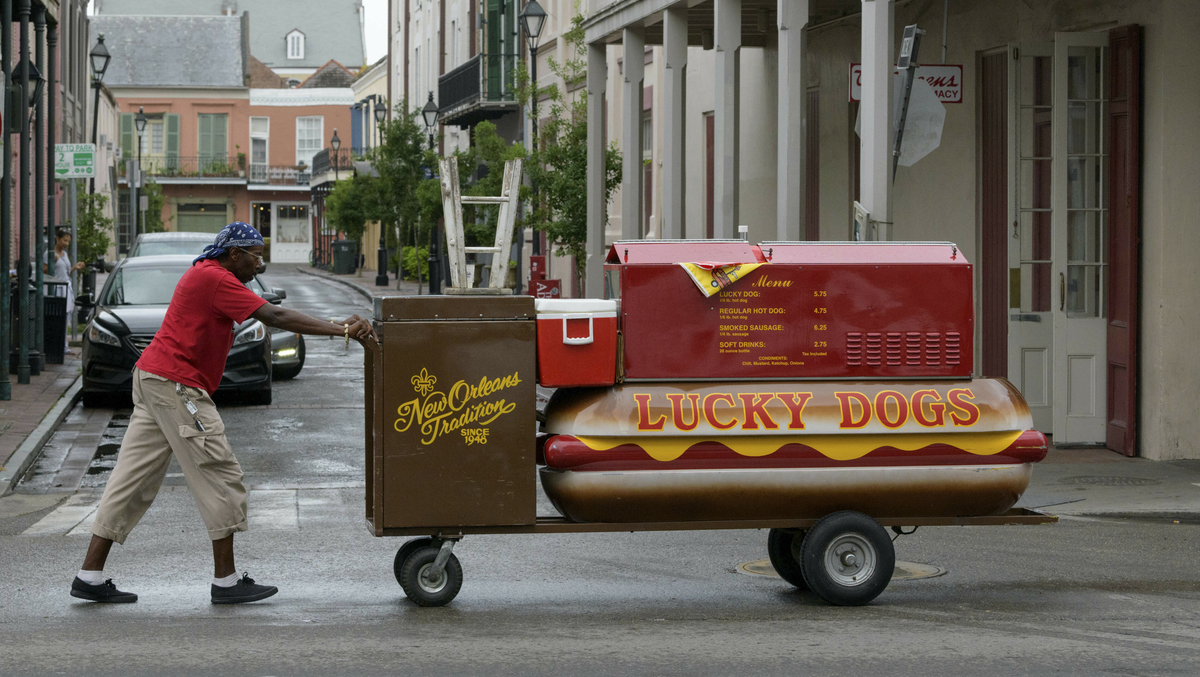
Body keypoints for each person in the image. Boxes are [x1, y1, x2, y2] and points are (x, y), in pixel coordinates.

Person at [70, 221, 377, 605]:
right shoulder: (216, 279)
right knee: (218, 471)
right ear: (235, 255)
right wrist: (341, 330)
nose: (259, 264)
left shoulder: (208, 274)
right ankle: (226, 582)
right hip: (176, 385)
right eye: (255, 256)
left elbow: (255, 316)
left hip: (155, 379)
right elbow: (275, 317)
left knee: (131, 480)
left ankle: (90, 575)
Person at [43, 227, 86, 355]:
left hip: (66, 287)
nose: (66, 244)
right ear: (57, 239)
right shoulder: (49, 254)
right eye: (64, 241)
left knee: (66, 317)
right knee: (58, 317)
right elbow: (44, 271)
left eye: (68, 241)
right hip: (56, 288)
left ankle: (63, 345)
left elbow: (65, 272)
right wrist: (52, 262)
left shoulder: (64, 254)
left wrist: (74, 267)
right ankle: (58, 346)